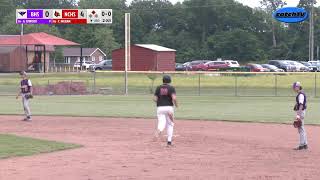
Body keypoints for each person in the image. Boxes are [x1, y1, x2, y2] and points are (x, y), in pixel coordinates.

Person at [153, 75, 178, 146]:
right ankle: (169, 142)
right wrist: (176, 105)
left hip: (160, 108)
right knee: (170, 124)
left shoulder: (158, 87)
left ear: (163, 80)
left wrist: (160, 102)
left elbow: (154, 99)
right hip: (169, 108)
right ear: (170, 81)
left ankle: (159, 131)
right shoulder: (171, 88)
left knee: (161, 123)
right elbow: (174, 98)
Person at [292, 82, 308, 150]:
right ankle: (305, 144)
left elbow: (301, 105)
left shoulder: (300, 94)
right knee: (302, 128)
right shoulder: (301, 93)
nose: (293, 88)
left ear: (298, 87)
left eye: (294, 87)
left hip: (300, 112)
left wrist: (298, 115)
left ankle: (301, 145)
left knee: (300, 129)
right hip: (301, 112)